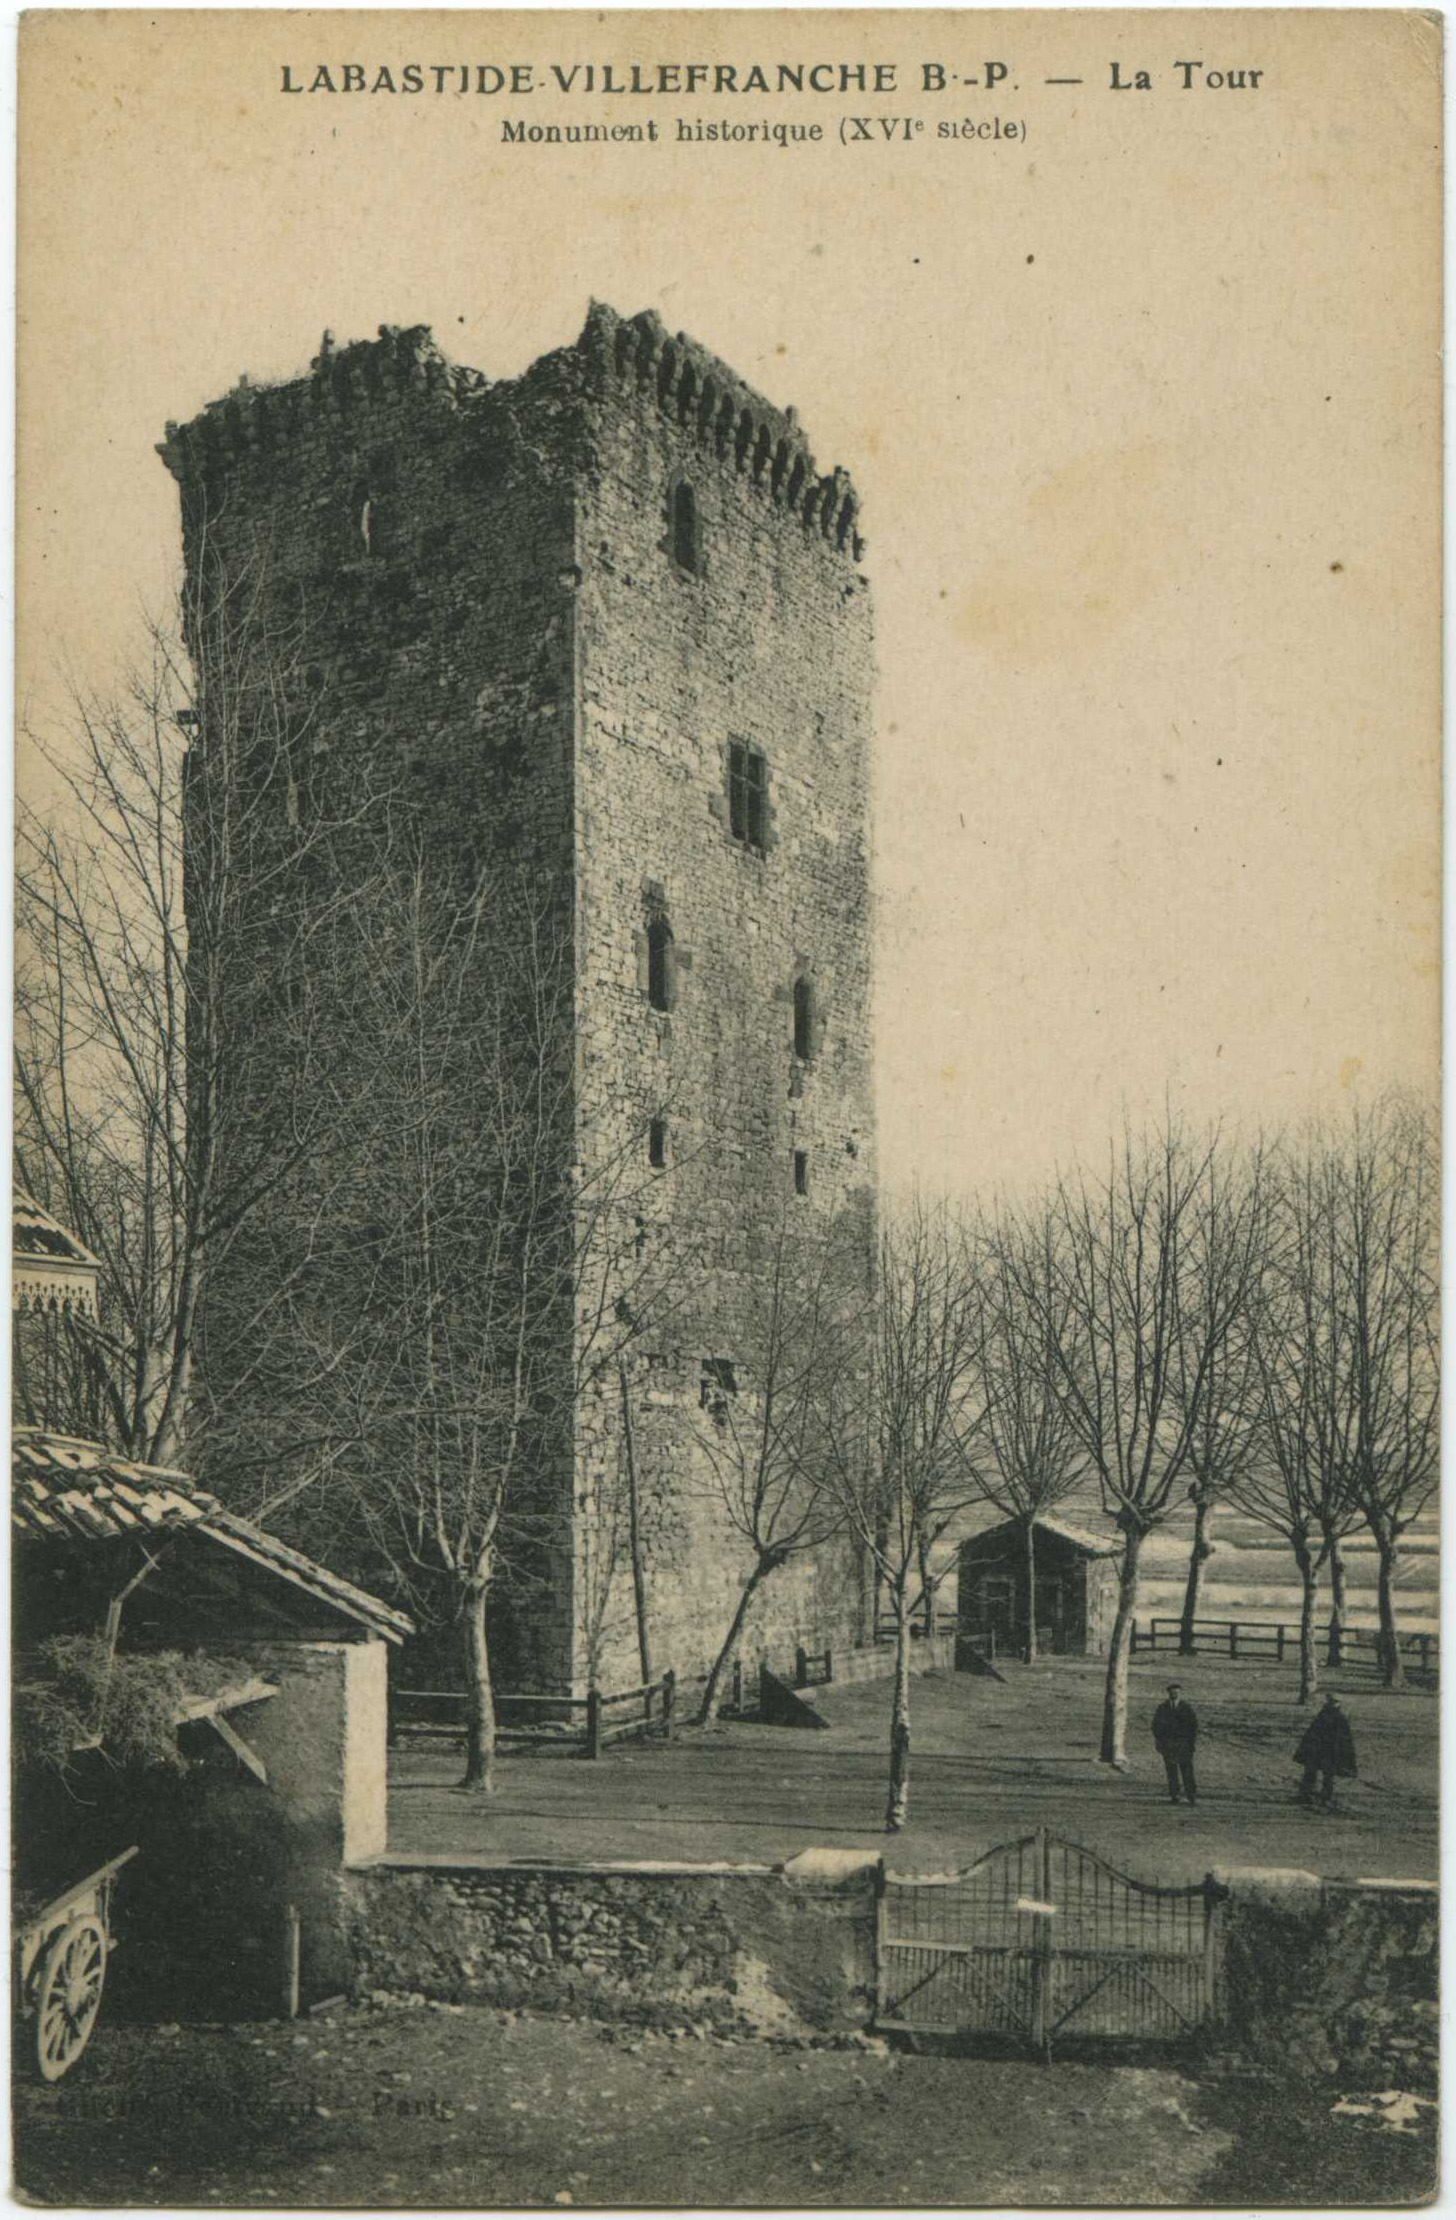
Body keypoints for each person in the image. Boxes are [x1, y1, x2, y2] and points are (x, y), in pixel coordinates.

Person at [1294, 1693, 1357, 1809]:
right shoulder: (1328, 1716)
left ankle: (1321, 1796)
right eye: (1332, 1702)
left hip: (1327, 1751)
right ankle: (1310, 1794)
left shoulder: (1331, 1717)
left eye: (1335, 1702)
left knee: (1324, 1774)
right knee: (1316, 1773)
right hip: (1323, 1750)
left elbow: (1344, 1739)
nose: (1333, 1704)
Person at [1152, 1681, 1199, 1805]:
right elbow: (1155, 1726)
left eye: (1177, 1692)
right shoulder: (1162, 1708)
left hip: (1184, 1745)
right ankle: (1174, 1795)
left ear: (1180, 1693)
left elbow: (1193, 1727)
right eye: (1172, 1692)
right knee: (1171, 1771)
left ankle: (1191, 1796)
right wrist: (1160, 1741)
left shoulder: (1186, 1708)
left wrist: (1191, 1743)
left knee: (1187, 1770)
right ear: (1168, 1693)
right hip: (1168, 1745)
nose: (1175, 1694)